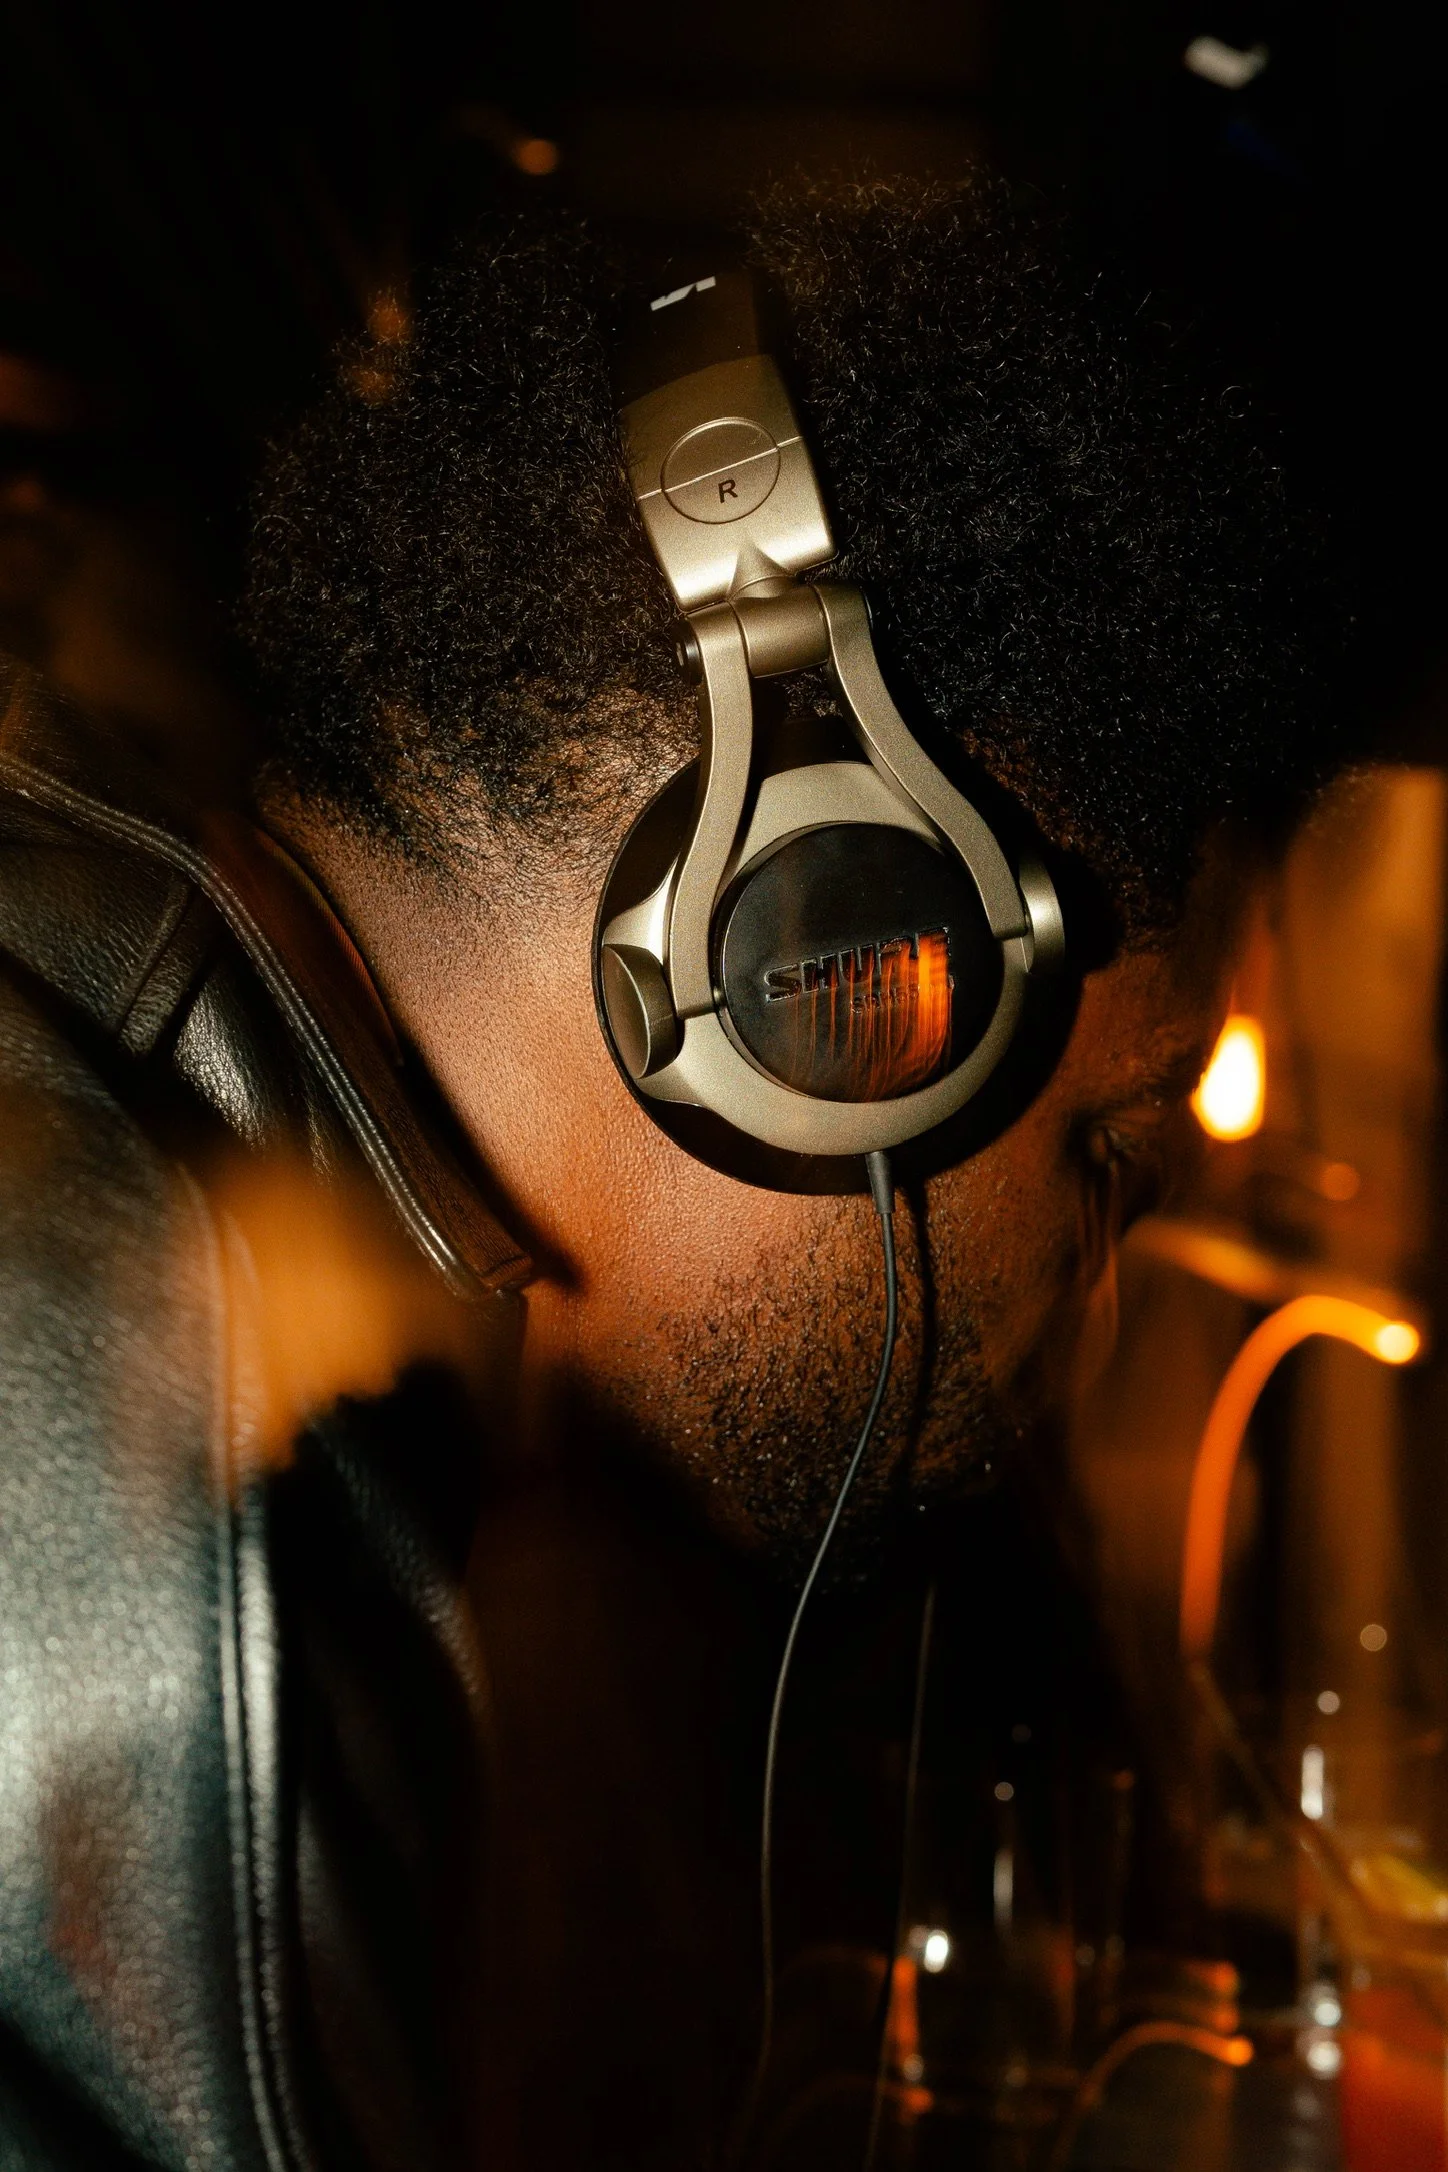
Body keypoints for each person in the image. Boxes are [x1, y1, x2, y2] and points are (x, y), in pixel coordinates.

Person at [0, 175, 1344, 2171]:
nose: (1097, 1284)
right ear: (833, 952)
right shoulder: (152, 1483)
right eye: (1107, 1153)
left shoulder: (264, 1265)